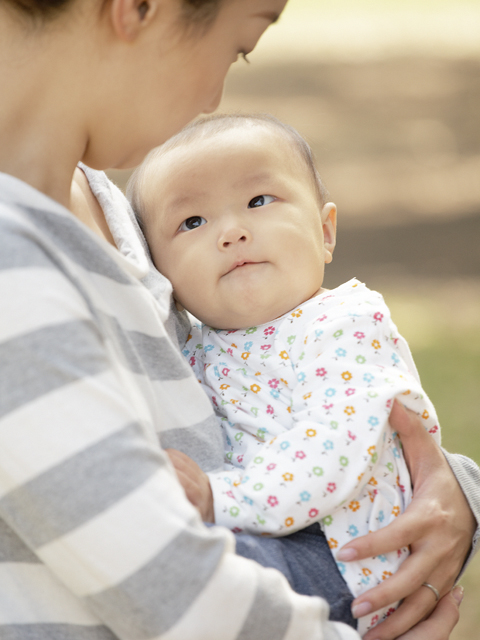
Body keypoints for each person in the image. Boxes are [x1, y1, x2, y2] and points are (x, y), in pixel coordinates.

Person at [0, 0, 477, 638]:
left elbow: (330, 420)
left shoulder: (113, 211)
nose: (214, 96)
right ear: (138, 9)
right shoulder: (17, 258)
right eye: (239, 46)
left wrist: (454, 495)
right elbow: (172, 589)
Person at [125, 112, 454, 634]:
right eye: (192, 222)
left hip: (341, 553)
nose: (232, 232)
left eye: (259, 202)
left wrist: (221, 498)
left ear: (325, 232)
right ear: (164, 277)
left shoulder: (344, 325)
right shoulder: (191, 350)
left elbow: (335, 446)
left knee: (197, 579)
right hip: (272, 537)